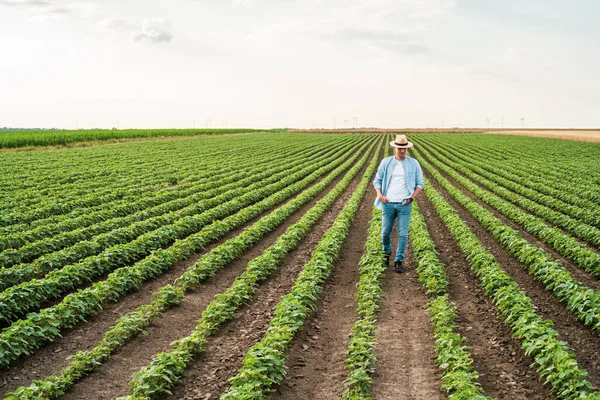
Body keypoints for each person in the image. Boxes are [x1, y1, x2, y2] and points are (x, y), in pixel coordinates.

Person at [372, 134, 424, 273]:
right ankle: (386, 253)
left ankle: (398, 260)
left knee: (403, 234)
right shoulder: (386, 162)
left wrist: (411, 198)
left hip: (404, 204)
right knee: (385, 233)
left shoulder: (413, 163)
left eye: (404, 149)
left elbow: (420, 183)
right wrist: (380, 195)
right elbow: (377, 180)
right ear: (395, 147)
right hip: (388, 203)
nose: (402, 151)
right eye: (400, 148)